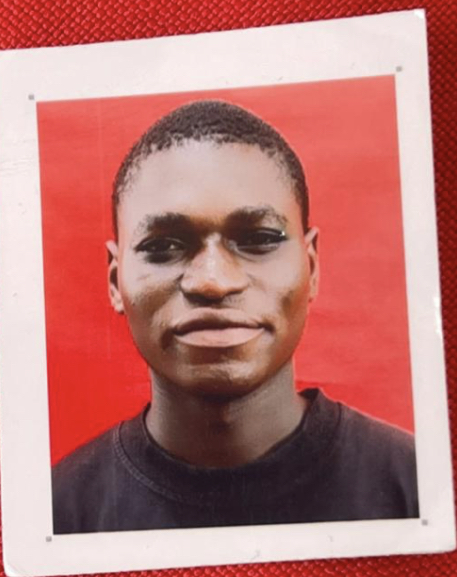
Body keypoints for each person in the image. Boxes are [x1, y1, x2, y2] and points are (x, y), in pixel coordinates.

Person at [52, 100, 418, 534]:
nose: (213, 282)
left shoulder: (417, 486)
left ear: (311, 266)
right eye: (163, 246)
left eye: (259, 239)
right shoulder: (57, 515)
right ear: (116, 280)